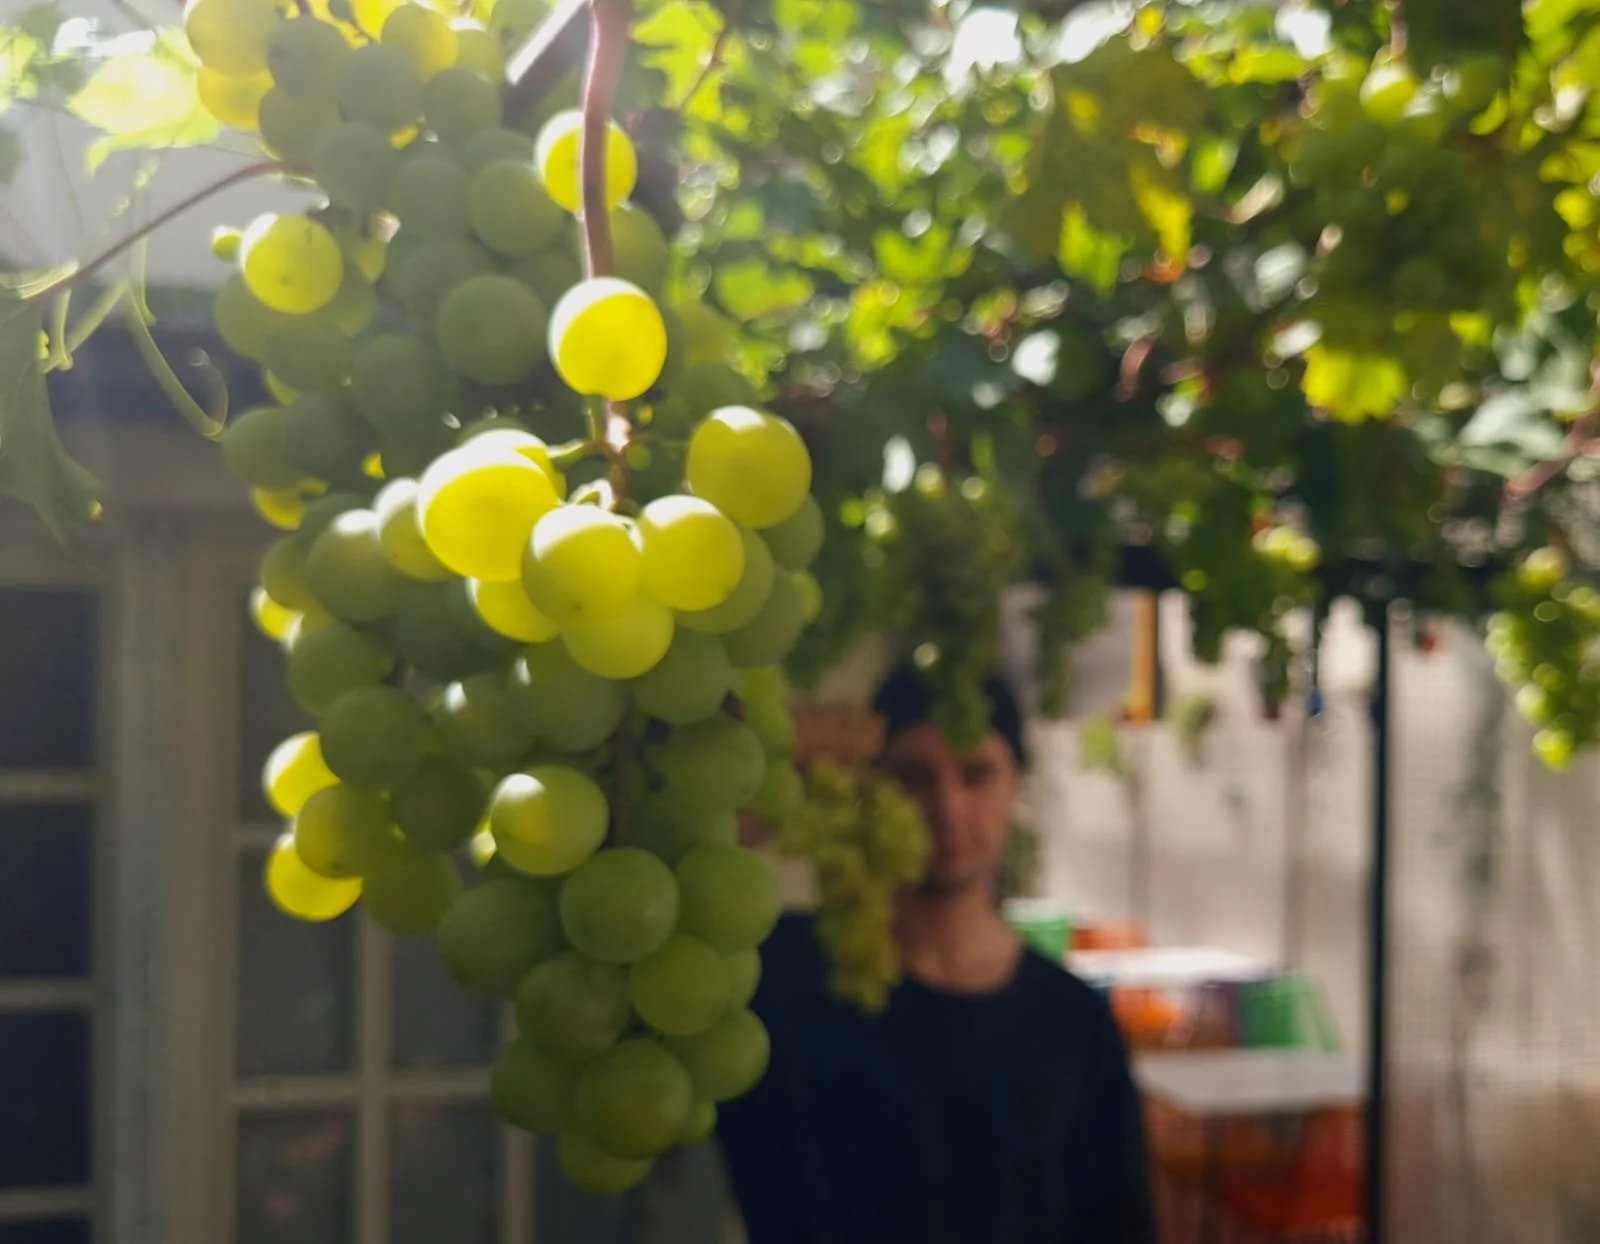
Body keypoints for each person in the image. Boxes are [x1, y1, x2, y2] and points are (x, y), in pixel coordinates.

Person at [717, 666, 1154, 1244]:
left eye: (977, 774)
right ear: (871, 790)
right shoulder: (780, 977)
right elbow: (649, 914)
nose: (948, 808)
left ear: (1014, 786)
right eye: (914, 777)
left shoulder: (1073, 1021)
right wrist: (779, 762)